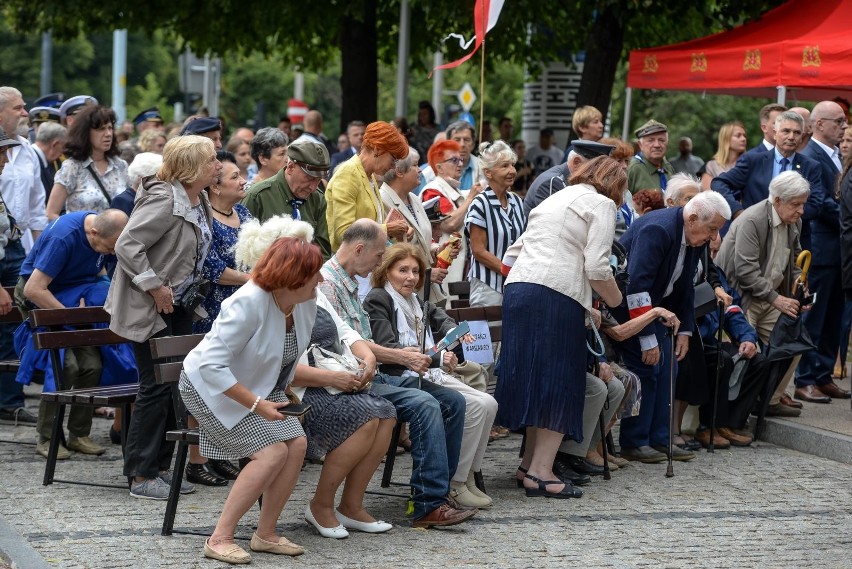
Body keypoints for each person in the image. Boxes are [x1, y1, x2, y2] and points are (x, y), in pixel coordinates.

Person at [318, 220, 474, 528]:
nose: (380, 262)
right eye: (379, 256)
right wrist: (400, 356)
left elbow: (356, 338)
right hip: (347, 381)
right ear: (359, 249)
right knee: (424, 403)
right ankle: (428, 503)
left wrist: (401, 357)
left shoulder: (347, 282)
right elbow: (343, 344)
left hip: (370, 374)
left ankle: (438, 494)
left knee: (453, 401)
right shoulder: (328, 284)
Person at [179, 235, 322, 564]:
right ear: (293, 276)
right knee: (271, 454)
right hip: (207, 387)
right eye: (315, 272)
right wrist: (257, 404)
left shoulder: (304, 301)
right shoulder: (249, 302)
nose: (322, 278)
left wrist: (278, 392)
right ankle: (219, 538)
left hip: (258, 388)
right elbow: (209, 366)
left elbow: (286, 355)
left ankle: (266, 534)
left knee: (296, 445)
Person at [495, 156, 624, 498]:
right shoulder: (601, 203)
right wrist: (614, 300)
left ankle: (528, 465)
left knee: (536, 380)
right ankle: (540, 473)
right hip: (555, 295)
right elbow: (597, 266)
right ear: (614, 184)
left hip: (520, 289)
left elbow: (511, 255)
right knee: (559, 383)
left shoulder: (555, 198)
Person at [105, 135, 221, 500]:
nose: (218, 165)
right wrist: (154, 285)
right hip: (150, 306)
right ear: (192, 167)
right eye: (212, 160)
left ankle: (161, 469)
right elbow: (126, 244)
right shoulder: (163, 197)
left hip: (179, 304)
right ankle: (140, 475)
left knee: (175, 384)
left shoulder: (197, 196)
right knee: (154, 386)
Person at [364, 243, 498, 508]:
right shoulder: (378, 298)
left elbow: (442, 318)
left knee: (489, 403)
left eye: (415, 271)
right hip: (398, 375)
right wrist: (438, 357)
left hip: (425, 371)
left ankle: (467, 475)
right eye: (402, 270)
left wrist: (455, 333)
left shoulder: (416, 301)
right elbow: (388, 349)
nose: (411, 277)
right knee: (476, 405)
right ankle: (455, 482)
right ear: (386, 271)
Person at [613, 191, 731, 463]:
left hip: (661, 309)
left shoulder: (694, 235)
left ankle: (661, 438)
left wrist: (686, 331)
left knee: (670, 370)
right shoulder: (659, 229)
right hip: (630, 312)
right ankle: (635, 441)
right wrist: (646, 339)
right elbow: (636, 286)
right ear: (692, 219)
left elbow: (686, 286)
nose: (714, 238)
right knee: (648, 367)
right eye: (712, 229)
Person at [16, 209, 128, 459]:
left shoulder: (102, 237)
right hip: (43, 299)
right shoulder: (64, 236)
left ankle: (79, 434)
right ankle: (48, 437)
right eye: (109, 248)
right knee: (64, 366)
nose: (111, 253)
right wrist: (72, 316)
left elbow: (98, 275)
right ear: (93, 232)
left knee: (91, 365)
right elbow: (33, 289)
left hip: (72, 300)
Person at [715, 171, 810, 417]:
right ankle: (734, 414)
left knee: (794, 341)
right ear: (777, 200)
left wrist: (800, 286)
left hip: (768, 295)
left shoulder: (793, 221)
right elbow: (745, 271)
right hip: (739, 297)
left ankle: (770, 400)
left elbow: (796, 260)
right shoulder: (752, 219)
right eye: (796, 204)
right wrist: (777, 299)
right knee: (748, 350)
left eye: (803, 204)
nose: (801, 210)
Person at [795, 101, 850, 401]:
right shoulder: (809, 156)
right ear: (819, 124)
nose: (844, 126)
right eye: (839, 121)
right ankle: (805, 377)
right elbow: (818, 203)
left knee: (834, 318)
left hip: (840, 251)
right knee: (814, 318)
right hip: (822, 249)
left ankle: (823, 373)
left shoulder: (837, 155)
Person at [0, 88, 47, 425]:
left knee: (16, 316)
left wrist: (40, 259)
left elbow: (35, 213)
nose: (25, 112)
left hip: (16, 243)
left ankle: (9, 399)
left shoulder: (28, 152)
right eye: (18, 108)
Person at [711, 111, 825, 223]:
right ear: (775, 134)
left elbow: (816, 205)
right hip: (755, 233)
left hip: (795, 235)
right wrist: (738, 212)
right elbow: (719, 183)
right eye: (786, 131)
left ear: (802, 136)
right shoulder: (753, 161)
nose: (791, 137)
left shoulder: (811, 166)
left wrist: (785, 214)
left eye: (797, 132)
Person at [380, 147, 456, 306]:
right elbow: (389, 252)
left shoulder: (414, 198)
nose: (420, 170)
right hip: (402, 294)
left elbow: (422, 240)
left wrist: (437, 249)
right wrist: (425, 275)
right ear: (400, 172)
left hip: (428, 293)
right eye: (415, 165)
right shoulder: (382, 200)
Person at [325, 121, 410, 251]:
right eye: (393, 160)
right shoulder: (348, 174)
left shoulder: (370, 176)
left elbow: (372, 225)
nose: (393, 167)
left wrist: (393, 233)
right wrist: (387, 229)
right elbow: (343, 233)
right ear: (377, 149)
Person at [241, 138, 331, 259]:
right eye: (309, 179)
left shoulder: (318, 199)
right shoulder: (258, 196)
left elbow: (323, 253)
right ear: (290, 167)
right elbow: (243, 249)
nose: (313, 188)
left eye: (318, 181)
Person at [464, 140, 526, 306]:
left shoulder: (517, 202)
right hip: (488, 287)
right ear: (488, 173)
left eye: (513, 165)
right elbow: (478, 251)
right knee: (490, 332)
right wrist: (507, 270)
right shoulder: (480, 204)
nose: (512, 171)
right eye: (505, 166)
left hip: (515, 285)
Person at [46, 105, 129, 221]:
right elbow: (51, 213)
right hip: (83, 237)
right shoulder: (72, 167)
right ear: (85, 133)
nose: (108, 133)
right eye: (101, 129)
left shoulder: (121, 166)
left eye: (110, 128)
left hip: (119, 238)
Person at [420, 139, 483, 286]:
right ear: (439, 168)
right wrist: (470, 198)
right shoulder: (433, 191)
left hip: (460, 266)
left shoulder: (456, 190)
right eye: (454, 160)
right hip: (444, 267)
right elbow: (449, 223)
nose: (460, 164)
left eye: (461, 159)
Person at [523, 139, 615, 216]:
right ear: (576, 162)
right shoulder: (553, 182)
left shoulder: (567, 179)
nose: (599, 175)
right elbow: (554, 227)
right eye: (595, 169)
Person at [628, 119, 676, 195]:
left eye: (661, 140)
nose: (657, 145)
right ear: (640, 145)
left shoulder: (668, 168)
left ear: (667, 143)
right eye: (651, 140)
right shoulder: (633, 168)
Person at [110, 152, 163, 217]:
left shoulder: (152, 198)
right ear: (141, 178)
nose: (161, 182)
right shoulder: (123, 201)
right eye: (156, 178)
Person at [701, 121, 748, 190]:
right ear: (726, 139)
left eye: (744, 136)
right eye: (738, 136)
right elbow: (708, 196)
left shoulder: (749, 163)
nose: (743, 139)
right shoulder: (711, 166)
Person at [31, 121, 67, 203]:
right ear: (55, 144)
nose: (62, 153)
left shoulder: (41, 160)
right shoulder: (31, 161)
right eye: (63, 147)